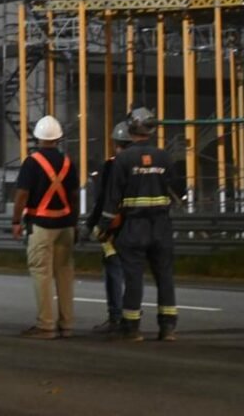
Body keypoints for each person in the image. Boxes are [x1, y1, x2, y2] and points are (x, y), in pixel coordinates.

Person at [93, 107, 179, 342]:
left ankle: (132, 328)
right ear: (152, 129)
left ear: (131, 128)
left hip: (133, 227)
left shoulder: (123, 159)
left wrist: (102, 226)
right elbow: (177, 190)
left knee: (133, 278)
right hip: (161, 226)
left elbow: (112, 200)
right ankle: (168, 328)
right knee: (165, 277)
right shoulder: (164, 157)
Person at [11, 115, 78, 339]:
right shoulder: (68, 162)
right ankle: (67, 324)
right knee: (65, 274)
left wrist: (16, 221)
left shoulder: (32, 162)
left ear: (37, 137)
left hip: (41, 226)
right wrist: (75, 223)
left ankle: (46, 325)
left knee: (42, 274)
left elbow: (22, 195)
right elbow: (74, 196)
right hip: (66, 225)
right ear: (58, 138)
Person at [84, 121, 131, 333]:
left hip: (114, 225)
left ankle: (115, 318)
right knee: (134, 274)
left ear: (116, 143)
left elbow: (104, 199)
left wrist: (93, 224)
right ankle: (132, 321)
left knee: (114, 270)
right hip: (142, 227)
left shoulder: (112, 165)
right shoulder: (146, 162)